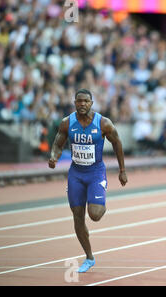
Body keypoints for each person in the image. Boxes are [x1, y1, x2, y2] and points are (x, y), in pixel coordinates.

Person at [48, 89, 128, 272]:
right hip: (76, 174)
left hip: (95, 173)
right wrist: (54, 157)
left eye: (86, 101)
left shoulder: (104, 123)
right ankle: (89, 256)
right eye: (79, 101)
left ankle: (99, 199)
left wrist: (122, 170)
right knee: (77, 217)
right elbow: (58, 144)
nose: (82, 104)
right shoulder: (67, 123)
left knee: (95, 214)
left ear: (91, 103)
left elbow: (117, 143)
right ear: (74, 102)